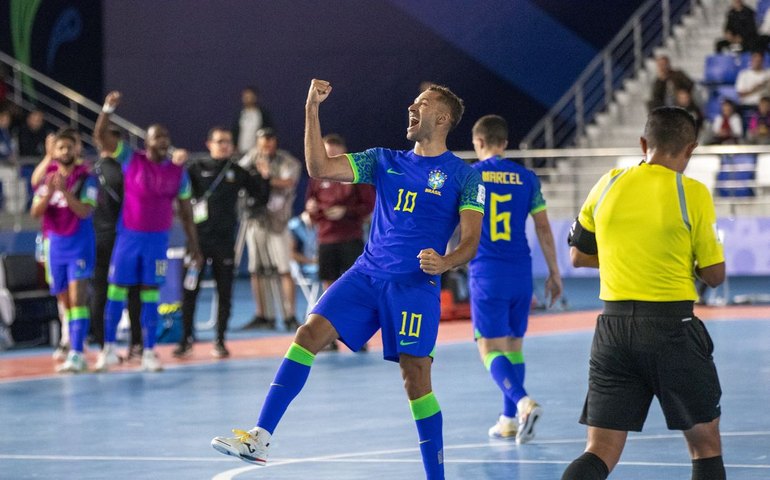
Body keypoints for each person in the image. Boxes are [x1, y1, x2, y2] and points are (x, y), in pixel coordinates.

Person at [211, 79, 485, 479]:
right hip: (366, 274)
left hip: (413, 284)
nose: (412, 106)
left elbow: (472, 242)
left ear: (442, 117)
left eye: (422, 103)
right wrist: (311, 110)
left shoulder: (464, 176)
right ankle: (260, 436)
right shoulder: (383, 159)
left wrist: (446, 262)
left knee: (416, 379)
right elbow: (318, 167)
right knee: (307, 334)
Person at [563, 107, 726, 480]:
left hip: (613, 332)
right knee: (705, 445)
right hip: (673, 330)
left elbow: (577, 255)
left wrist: (630, 256)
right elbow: (714, 275)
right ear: (690, 149)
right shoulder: (692, 192)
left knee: (600, 450)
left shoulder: (606, 184)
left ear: (643, 143)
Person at [468, 114, 562, 444]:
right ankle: (508, 420)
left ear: (478, 143)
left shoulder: (471, 176)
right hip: (521, 272)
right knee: (514, 346)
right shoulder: (527, 178)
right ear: (505, 144)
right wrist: (554, 271)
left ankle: (522, 404)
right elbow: (544, 228)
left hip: (486, 272)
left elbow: (454, 223)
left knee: (489, 348)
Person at [93, 91, 203, 372]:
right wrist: (108, 109)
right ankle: (107, 349)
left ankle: (150, 352)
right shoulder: (132, 159)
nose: (163, 140)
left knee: (150, 295)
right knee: (116, 293)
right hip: (128, 239)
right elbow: (100, 136)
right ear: (147, 141)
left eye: (166, 136)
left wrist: (194, 245)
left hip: (157, 242)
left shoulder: (178, 172)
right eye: (157, 136)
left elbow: (187, 212)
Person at [173, 127, 269, 359]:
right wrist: (175, 166)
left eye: (228, 142)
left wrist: (263, 177)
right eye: (219, 141)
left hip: (224, 243)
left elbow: (260, 198)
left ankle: (220, 340)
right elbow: (174, 188)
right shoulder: (195, 168)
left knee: (224, 292)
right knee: (189, 291)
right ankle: (186, 340)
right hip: (196, 243)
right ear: (209, 144)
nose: (224, 145)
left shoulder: (237, 171)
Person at [30, 129, 97, 373]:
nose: (65, 151)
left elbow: (84, 211)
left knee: (78, 298)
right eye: (61, 148)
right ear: (54, 152)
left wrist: (65, 192)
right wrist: (50, 191)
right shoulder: (48, 177)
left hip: (79, 245)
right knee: (65, 301)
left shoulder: (86, 177)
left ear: (76, 149)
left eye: (69, 147)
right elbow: (35, 212)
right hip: (55, 247)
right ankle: (73, 342)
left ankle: (77, 353)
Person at [306, 133, 376, 349]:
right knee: (329, 291)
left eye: (335, 153)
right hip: (326, 239)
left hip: (350, 237)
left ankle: (359, 336)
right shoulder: (317, 177)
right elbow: (310, 204)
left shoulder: (356, 175)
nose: (330, 157)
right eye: (328, 153)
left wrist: (345, 211)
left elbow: (369, 206)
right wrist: (312, 211)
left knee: (355, 290)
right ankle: (328, 340)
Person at [89, 123, 143, 366]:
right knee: (127, 291)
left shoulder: (91, 172)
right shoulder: (126, 170)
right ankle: (134, 345)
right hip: (118, 239)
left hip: (105, 239)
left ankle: (104, 345)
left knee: (103, 290)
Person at [238, 127, 301, 331]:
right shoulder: (251, 158)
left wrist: (264, 178)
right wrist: (257, 178)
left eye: (270, 141)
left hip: (277, 223)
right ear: (257, 143)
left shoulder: (287, 161)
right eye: (263, 142)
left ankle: (290, 315)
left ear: (275, 142)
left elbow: (288, 181)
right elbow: (238, 175)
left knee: (283, 269)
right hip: (255, 221)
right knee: (257, 270)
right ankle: (264, 315)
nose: (266, 145)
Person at [232, 86, 274, 155]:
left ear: (255, 97)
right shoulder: (239, 114)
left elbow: (268, 132)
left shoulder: (262, 114)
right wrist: (234, 146)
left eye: (251, 96)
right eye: (246, 97)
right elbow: (234, 132)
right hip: (240, 152)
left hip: (258, 152)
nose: (248, 99)